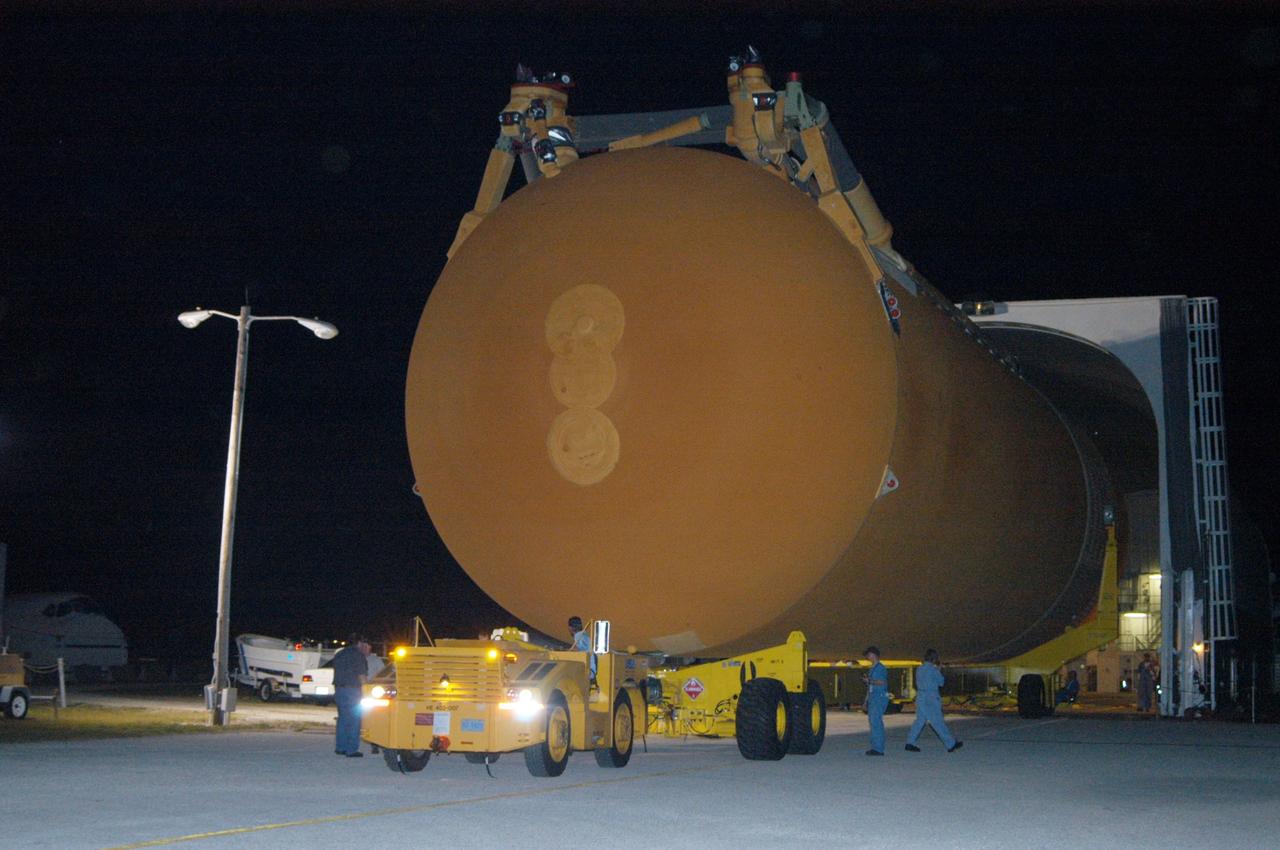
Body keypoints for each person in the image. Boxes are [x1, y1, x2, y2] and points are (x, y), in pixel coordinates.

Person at [904, 649, 962, 753]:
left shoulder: (919, 669)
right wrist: (939, 670)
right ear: (934, 659)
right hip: (931, 697)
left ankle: (910, 742)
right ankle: (950, 744)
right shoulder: (933, 670)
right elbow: (941, 682)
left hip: (921, 696)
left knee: (919, 721)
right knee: (937, 721)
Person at [332, 634, 372, 757]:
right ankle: (352, 750)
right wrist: (367, 692)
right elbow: (362, 676)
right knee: (355, 719)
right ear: (360, 643)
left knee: (343, 719)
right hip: (353, 690)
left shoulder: (339, 653)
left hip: (339, 689)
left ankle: (340, 747)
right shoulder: (358, 655)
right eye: (365, 644)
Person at [863, 646, 889, 756]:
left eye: (868, 655)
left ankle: (878, 748)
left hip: (879, 697)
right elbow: (869, 687)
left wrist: (869, 681)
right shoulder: (872, 668)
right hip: (873, 697)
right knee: (873, 722)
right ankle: (875, 747)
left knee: (876, 722)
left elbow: (882, 682)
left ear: (873, 655)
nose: (867, 657)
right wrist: (866, 701)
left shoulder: (880, 668)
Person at [568, 616, 596, 683]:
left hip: (588, 671)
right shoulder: (585, 636)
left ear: (570, 628)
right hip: (591, 670)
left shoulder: (578, 636)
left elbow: (581, 651)